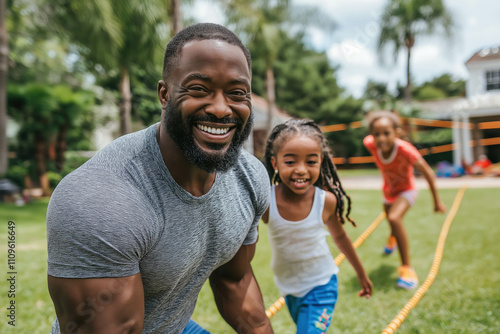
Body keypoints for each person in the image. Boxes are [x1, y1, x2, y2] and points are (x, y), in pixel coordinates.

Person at [46, 23, 273, 334]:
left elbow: (235, 280)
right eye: (199, 89)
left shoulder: (249, 177)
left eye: (236, 93)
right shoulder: (99, 200)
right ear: (165, 95)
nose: (221, 109)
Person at [262, 119, 373, 333]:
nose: (301, 170)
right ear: (275, 163)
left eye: (311, 162)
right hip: (289, 288)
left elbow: (341, 238)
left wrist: (360, 273)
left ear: (321, 161)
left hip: (322, 285)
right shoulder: (266, 201)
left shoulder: (326, 201)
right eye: (290, 162)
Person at [363, 110, 447, 290]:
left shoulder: (406, 150)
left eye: (386, 133)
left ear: (397, 132)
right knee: (391, 221)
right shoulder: (370, 144)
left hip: (407, 190)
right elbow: (372, 137)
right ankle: (393, 238)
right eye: (377, 134)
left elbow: (429, 174)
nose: (381, 138)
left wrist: (436, 201)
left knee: (394, 218)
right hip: (388, 191)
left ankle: (407, 269)